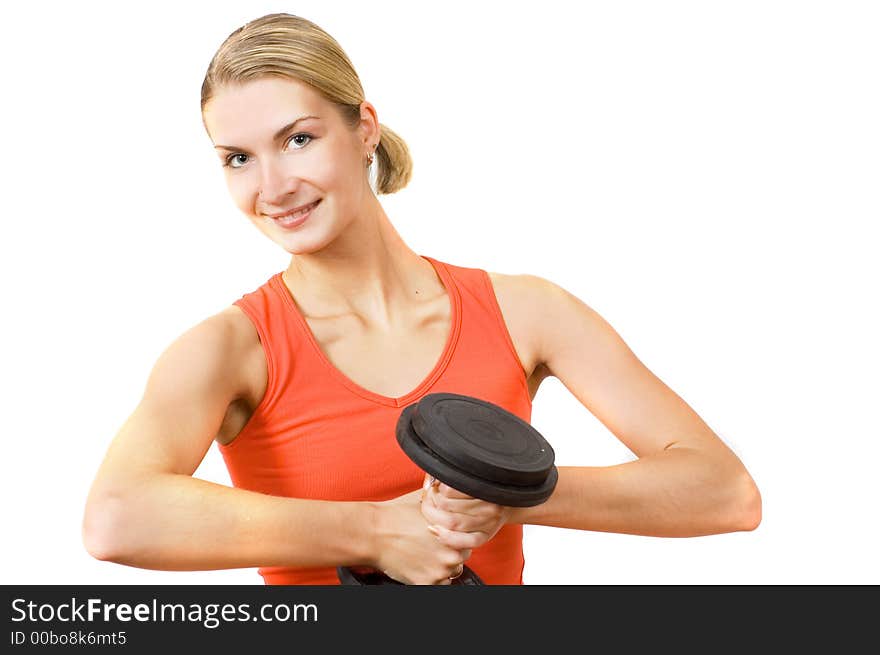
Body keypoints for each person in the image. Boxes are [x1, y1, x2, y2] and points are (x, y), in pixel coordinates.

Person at [82, 13, 761, 586]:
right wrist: (374, 529)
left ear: (364, 128)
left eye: (299, 139)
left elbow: (724, 491)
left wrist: (506, 497)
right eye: (238, 157)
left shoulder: (525, 311)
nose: (274, 185)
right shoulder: (231, 349)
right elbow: (116, 517)